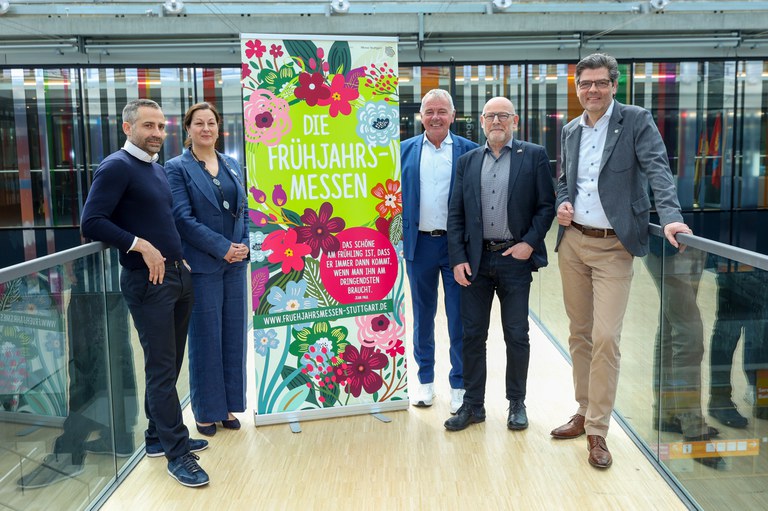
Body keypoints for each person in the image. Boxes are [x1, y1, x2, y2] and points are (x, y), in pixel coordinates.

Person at [551, 53, 691, 470]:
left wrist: (671, 218)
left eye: (599, 83)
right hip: (573, 244)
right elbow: (564, 178)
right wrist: (562, 202)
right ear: (577, 90)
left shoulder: (635, 119)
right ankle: (582, 410)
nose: (591, 90)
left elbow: (658, 171)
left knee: (606, 338)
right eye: (584, 84)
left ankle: (598, 430)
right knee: (579, 334)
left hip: (614, 247)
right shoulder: (571, 128)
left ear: (613, 85)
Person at [80, 99, 209, 487]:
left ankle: (157, 437)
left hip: (175, 276)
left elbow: (162, 220)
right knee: (160, 367)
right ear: (127, 127)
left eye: (160, 126)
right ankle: (176, 454)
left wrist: (178, 257)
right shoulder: (116, 167)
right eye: (148, 126)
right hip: (147, 282)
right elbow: (92, 221)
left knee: (169, 366)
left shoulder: (153, 169)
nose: (156, 133)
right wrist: (139, 244)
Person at [444, 96, 555, 432]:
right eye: (490, 116)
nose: (497, 121)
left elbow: (546, 207)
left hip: (514, 260)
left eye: (503, 116)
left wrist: (529, 243)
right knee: (472, 336)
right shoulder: (467, 161)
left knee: (517, 334)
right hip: (475, 262)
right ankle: (473, 406)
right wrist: (458, 259)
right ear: (481, 122)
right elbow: (456, 214)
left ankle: (516, 404)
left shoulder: (533, 156)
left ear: (515, 121)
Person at [17, 253, 140, 489]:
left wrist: (72, 256)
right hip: (111, 272)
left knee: (88, 365)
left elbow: (94, 221)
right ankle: (118, 437)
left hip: (97, 273)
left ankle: (70, 452)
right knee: (113, 357)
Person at [165, 102, 249, 436]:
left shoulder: (231, 163)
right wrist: (223, 248)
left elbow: (243, 209)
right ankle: (205, 410)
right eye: (198, 123)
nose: (206, 128)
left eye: (211, 122)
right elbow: (182, 219)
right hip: (202, 265)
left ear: (219, 128)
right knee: (206, 338)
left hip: (235, 264)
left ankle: (227, 405)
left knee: (232, 336)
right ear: (188, 129)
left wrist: (240, 245)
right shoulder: (177, 168)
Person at [401, 89, 478, 413]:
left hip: (456, 249)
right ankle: (426, 381)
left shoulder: (469, 152)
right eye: (429, 111)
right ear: (421, 115)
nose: (435, 117)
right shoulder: (402, 152)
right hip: (419, 246)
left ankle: (459, 385)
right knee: (422, 318)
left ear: (453, 115)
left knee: (460, 319)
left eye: (442, 111)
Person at [645, 239, 723, 469]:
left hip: (698, 240)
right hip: (668, 245)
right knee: (689, 334)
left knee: (671, 327)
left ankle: (667, 413)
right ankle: (693, 430)